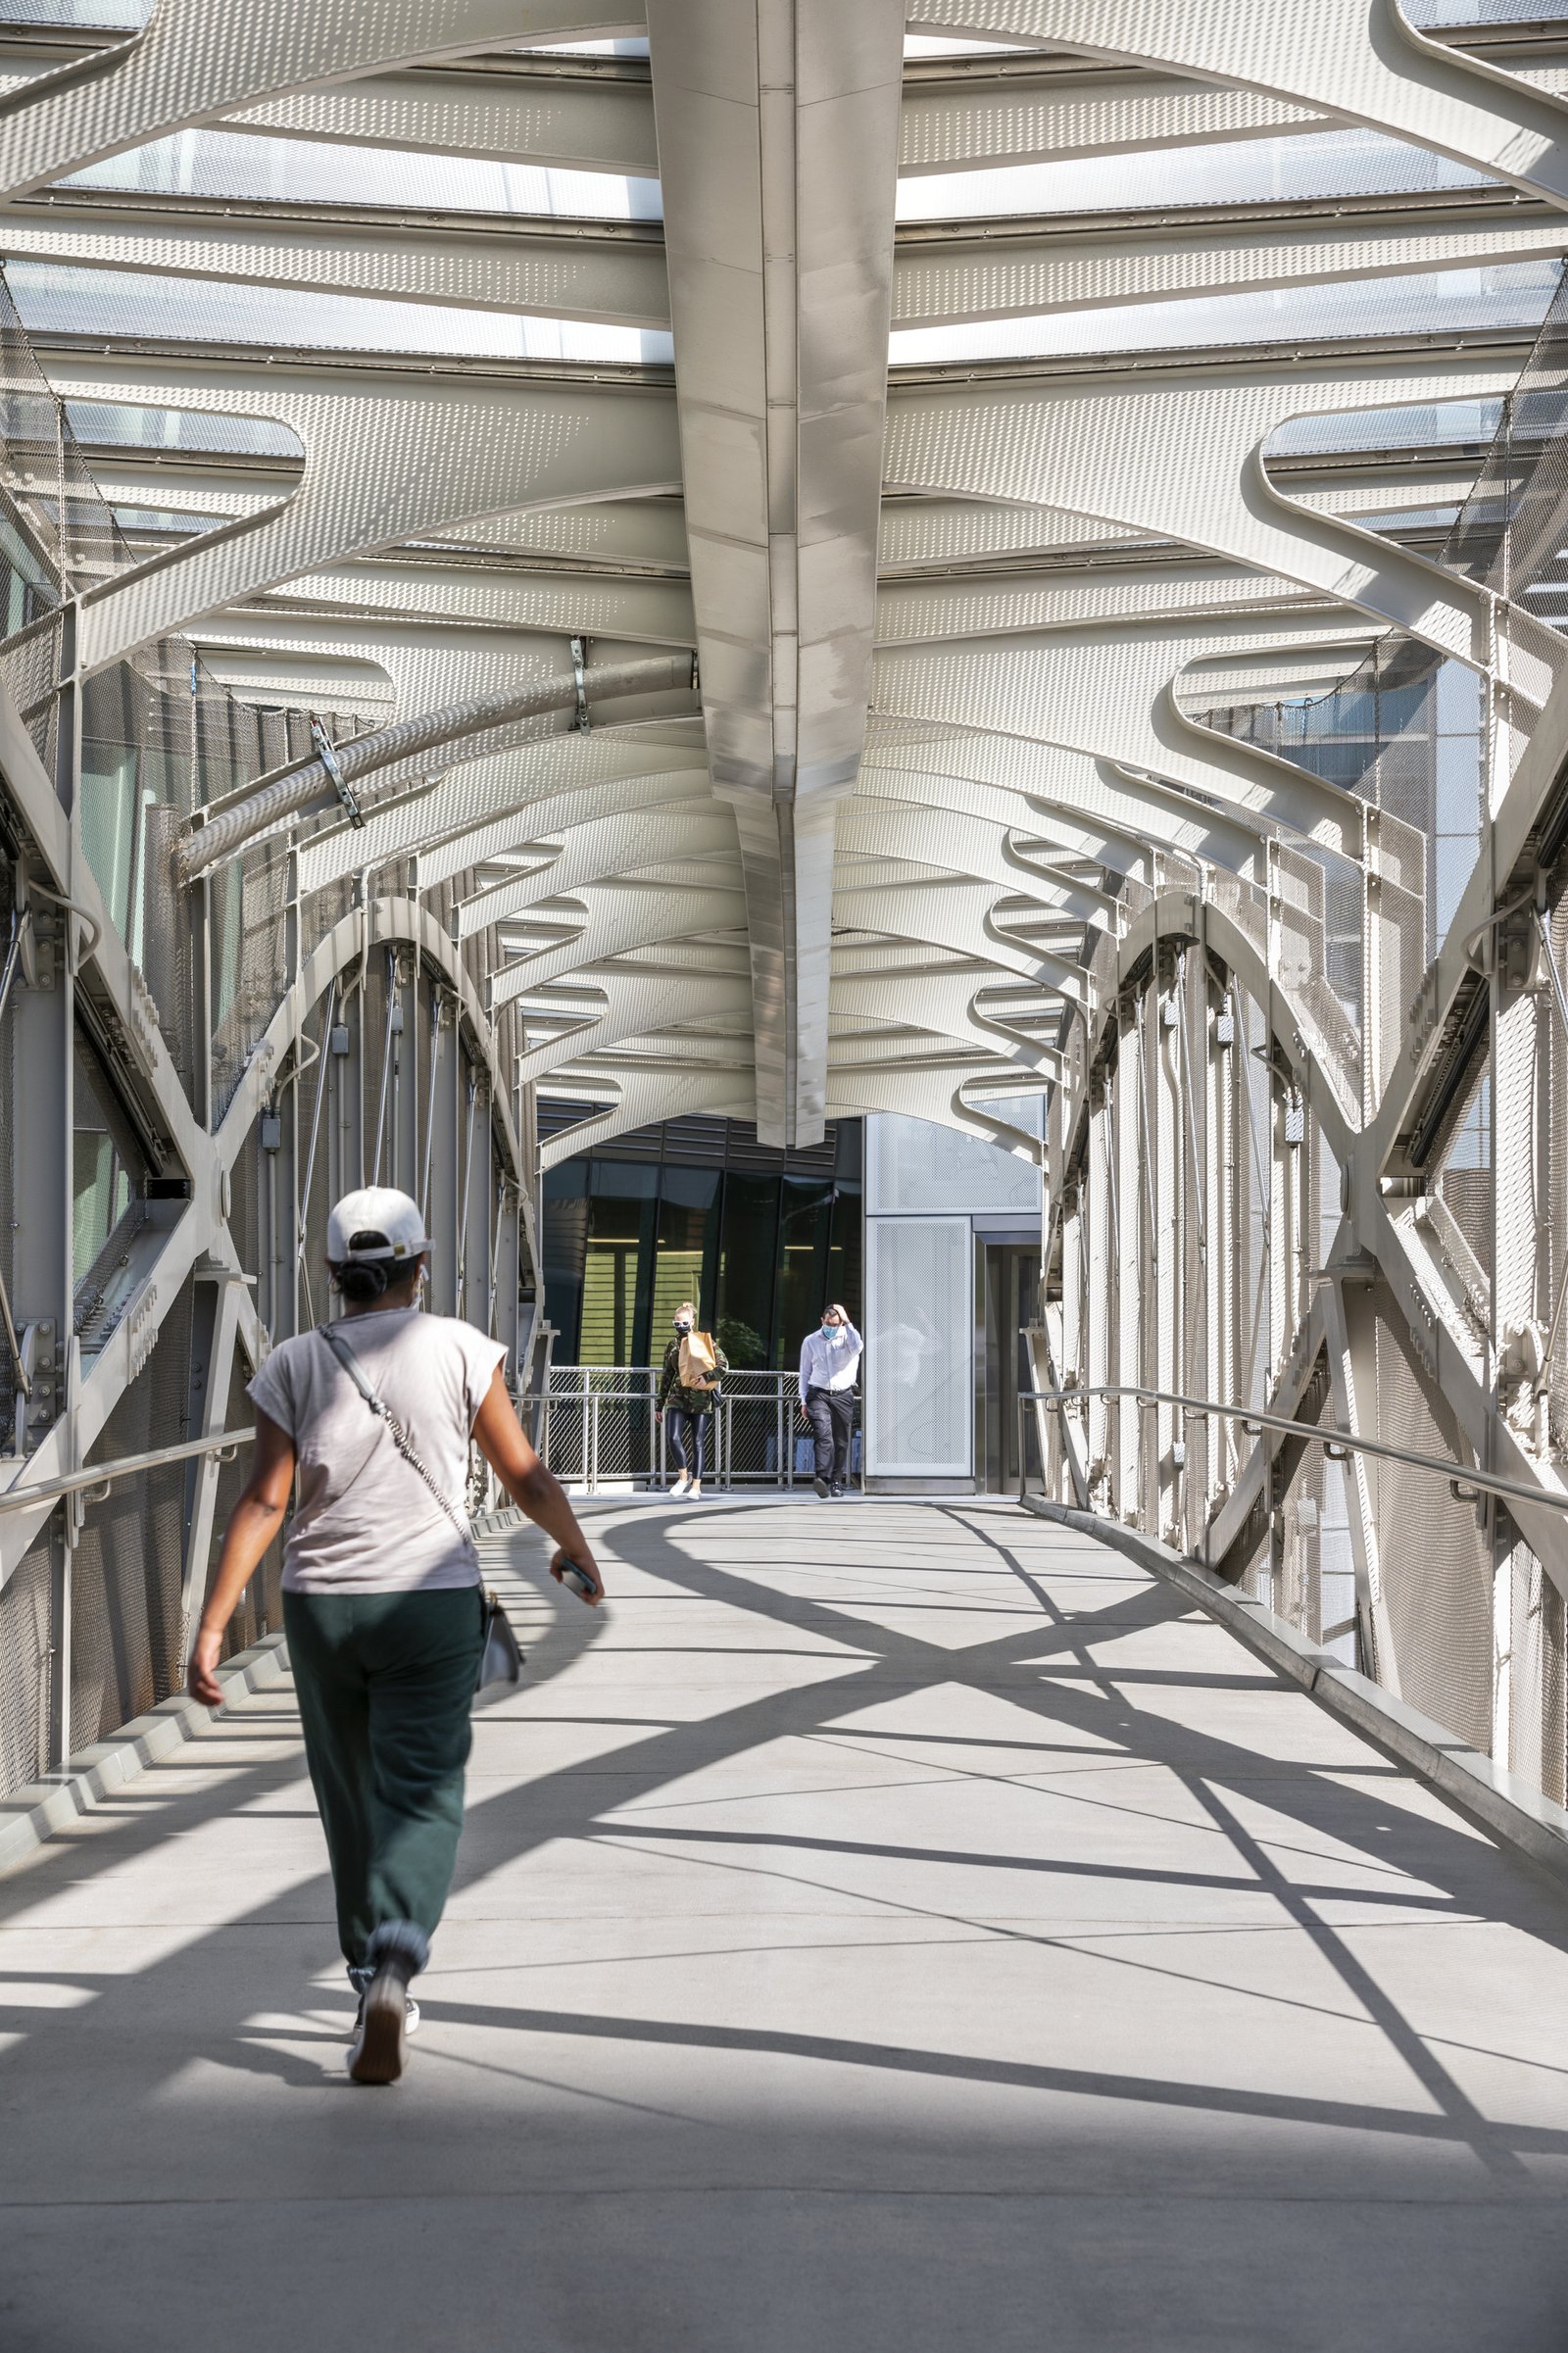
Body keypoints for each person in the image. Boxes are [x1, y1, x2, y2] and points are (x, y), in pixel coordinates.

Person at [185, 1184, 604, 2087]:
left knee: (349, 1795)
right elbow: (523, 1475)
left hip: (322, 1607)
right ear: (422, 1265)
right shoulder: (458, 1346)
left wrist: (213, 1625)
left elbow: (264, 1500)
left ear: (332, 1274)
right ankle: (395, 1959)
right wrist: (577, 1552)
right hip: (430, 1602)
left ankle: (361, 1973)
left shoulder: (295, 1361)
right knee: (423, 1789)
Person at [655, 1301, 727, 1498]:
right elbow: (667, 1375)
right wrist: (659, 1404)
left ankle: (696, 1486)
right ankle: (683, 1476)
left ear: (692, 1322)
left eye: (684, 1322)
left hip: (701, 1399)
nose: (680, 1327)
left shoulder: (705, 1342)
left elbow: (723, 1365)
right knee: (673, 1437)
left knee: (698, 1442)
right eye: (676, 1323)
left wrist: (708, 1377)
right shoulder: (673, 1345)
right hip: (677, 1397)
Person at [799, 1301, 861, 1499]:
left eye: (835, 1324)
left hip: (843, 1394)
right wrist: (803, 1399)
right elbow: (805, 1371)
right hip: (818, 1394)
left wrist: (847, 1321)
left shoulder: (849, 1339)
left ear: (841, 1323)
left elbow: (859, 1346)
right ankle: (822, 1478)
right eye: (828, 1323)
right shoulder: (811, 1341)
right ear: (822, 1321)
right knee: (823, 1435)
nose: (831, 1328)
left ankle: (835, 1481)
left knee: (841, 1440)